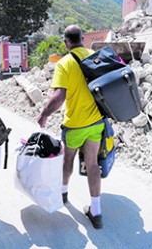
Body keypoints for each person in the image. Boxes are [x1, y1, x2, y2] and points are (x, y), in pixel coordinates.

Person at [37, 25, 105, 229]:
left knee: (68, 160)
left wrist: (44, 114)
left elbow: (58, 97)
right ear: (83, 38)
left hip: (75, 124)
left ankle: (63, 193)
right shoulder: (94, 56)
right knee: (92, 164)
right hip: (96, 123)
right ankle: (96, 211)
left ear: (66, 42)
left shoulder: (64, 63)